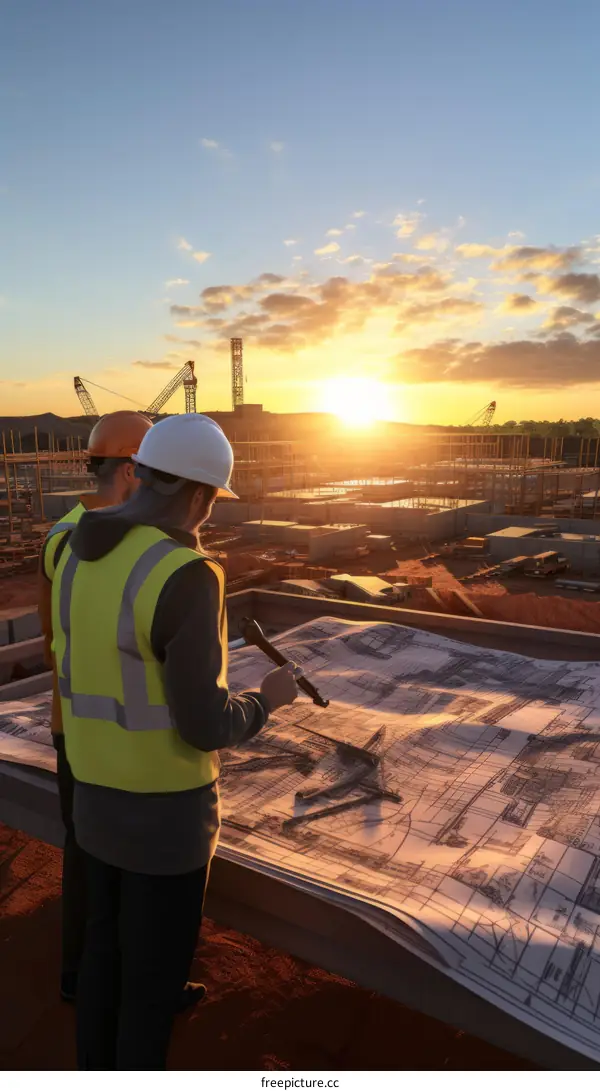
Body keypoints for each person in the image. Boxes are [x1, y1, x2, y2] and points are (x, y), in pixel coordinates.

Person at [50, 413, 300, 1071]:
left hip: (94, 802)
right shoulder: (186, 573)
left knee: (103, 955)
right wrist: (265, 702)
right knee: (153, 982)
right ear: (197, 495)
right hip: (166, 822)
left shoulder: (74, 549)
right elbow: (204, 723)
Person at [38, 410, 153, 1003]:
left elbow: (53, 632)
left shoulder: (61, 535)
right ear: (133, 469)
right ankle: (119, 985)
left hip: (71, 723)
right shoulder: (132, 544)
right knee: (128, 865)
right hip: (122, 733)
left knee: (84, 855)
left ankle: (79, 975)